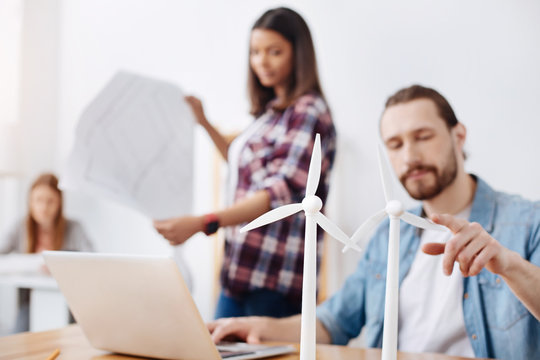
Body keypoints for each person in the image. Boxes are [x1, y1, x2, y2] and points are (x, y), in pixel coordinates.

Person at [207, 85, 540, 359]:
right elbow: (333, 321)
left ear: (459, 136)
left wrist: (510, 265)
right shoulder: (388, 233)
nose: (409, 156)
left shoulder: (528, 222)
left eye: (423, 136)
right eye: (395, 144)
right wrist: (255, 328)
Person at [154, 7, 337, 319]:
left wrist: (203, 223)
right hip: (241, 269)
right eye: (255, 52)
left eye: (274, 51)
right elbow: (247, 169)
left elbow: (276, 192)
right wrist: (205, 122)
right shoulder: (271, 112)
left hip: (272, 277)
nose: (262, 61)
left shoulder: (307, 111)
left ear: (298, 53)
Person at [0, 173, 94, 332]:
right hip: (30, 302)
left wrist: (60, 267)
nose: (44, 207)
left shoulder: (74, 228)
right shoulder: (20, 227)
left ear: (59, 203)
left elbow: (92, 261)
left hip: (68, 301)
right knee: (16, 337)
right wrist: (31, 264)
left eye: (50, 201)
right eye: (38, 200)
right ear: (30, 202)